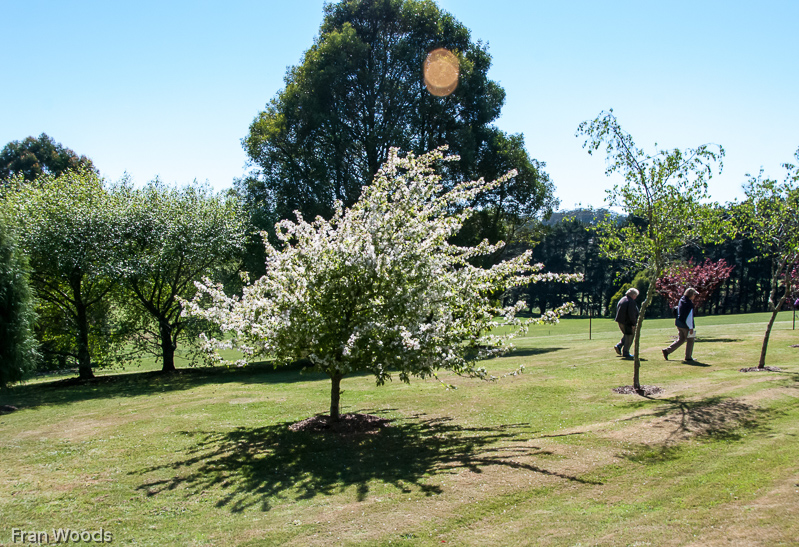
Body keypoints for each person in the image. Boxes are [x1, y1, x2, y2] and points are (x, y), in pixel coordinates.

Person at [662, 287, 697, 362]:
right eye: (694, 294)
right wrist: (691, 328)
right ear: (691, 295)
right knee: (690, 340)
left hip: (679, 323)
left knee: (681, 339)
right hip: (686, 325)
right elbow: (689, 317)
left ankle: (667, 351)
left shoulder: (682, 299)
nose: (694, 296)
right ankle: (688, 357)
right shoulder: (689, 303)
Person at [614, 288, 639, 359]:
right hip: (627, 322)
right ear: (633, 295)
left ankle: (619, 345)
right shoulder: (630, 301)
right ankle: (626, 352)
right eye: (636, 295)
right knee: (630, 336)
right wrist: (633, 323)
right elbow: (631, 314)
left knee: (627, 334)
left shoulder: (622, 299)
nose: (636, 297)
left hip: (621, 321)